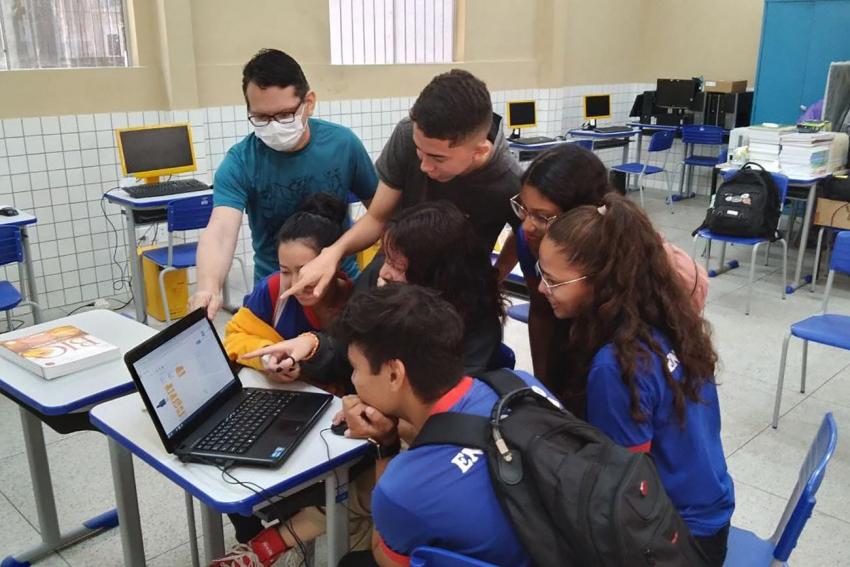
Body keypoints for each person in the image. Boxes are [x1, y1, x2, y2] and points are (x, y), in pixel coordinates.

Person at [214, 285, 538, 567]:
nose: (353, 381)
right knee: (356, 497)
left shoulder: (403, 488)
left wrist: (385, 446)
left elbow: (383, 558)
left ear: (394, 374)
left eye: (355, 369)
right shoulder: (519, 384)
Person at [536, 193, 734, 567]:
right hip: (712, 511)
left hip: (681, 541)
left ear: (601, 283)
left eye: (553, 280)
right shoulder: (671, 321)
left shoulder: (616, 366)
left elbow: (624, 491)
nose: (543, 289)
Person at [281, 69, 522, 303]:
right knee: (355, 320)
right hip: (394, 263)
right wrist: (333, 254)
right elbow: (377, 217)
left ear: (478, 151)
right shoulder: (408, 133)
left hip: (457, 284)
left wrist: (495, 276)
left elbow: (522, 235)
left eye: (437, 158)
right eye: (419, 152)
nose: (424, 166)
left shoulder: (508, 181)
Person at [189, 48, 378, 319]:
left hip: (340, 290)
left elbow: (380, 212)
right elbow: (220, 232)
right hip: (277, 295)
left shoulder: (342, 144)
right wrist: (208, 287)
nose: (274, 126)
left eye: (285, 115)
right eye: (262, 118)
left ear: (309, 102)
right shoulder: (240, 162)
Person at [506, 143, 708, 386]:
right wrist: (544, 385)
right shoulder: (530, 239)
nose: (527, 226)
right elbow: (541, 312)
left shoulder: (638, 263)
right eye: (524, 210)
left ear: (580, 216)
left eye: (542, 216)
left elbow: (663, 354)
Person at [243, 201, 505, 383]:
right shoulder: (379, 274)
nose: (384, 273)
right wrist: (311, 344)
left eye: (398, 266)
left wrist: (382, 412)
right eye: (386, 259)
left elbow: (443, 402)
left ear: (435, 275)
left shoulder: (477, 326)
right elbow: (349, 343)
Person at [223, 193, 352, 389]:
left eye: (305, 270)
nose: (294, 283)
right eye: (285, 271)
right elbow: (234, 337)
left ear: (335, 261)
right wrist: (267, 356)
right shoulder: (273, 291)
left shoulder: (356, 300)